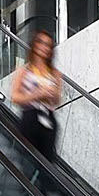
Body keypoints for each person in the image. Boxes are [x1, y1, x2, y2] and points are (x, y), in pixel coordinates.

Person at [9, 28, 63, 169]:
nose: (45, 48)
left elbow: (57, 100)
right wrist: (37, 94)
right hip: (30, 117)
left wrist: (51, 95)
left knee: (46, 163)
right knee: (27, 162)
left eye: (48, 45)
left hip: (48, 118)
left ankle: (43, 190)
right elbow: (15, 96)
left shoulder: (55, 73)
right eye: (42, 43)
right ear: (35, 45)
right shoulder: (24, 71)